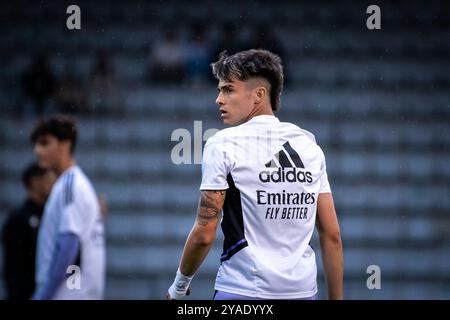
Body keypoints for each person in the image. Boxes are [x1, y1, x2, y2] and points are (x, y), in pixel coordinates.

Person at [167, 49, 343, 300]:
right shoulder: (309, 145)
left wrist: (179, 286)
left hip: (243, 291)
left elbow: (205, 234)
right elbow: (332, 234)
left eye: (228, 90)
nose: (218, 99)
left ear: (259, 94)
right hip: (303, 293)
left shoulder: (223, 144)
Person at [30, 116, 105, 300]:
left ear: (65, 145)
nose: (37, 151)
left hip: (68, 294)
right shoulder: (74, 183)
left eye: (45, 143)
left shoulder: (70, 184)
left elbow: (69, 244)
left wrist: (44, 294)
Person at [2, 163, 56, 300]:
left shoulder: (51, 215)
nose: (53, 182)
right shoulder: (19, 219)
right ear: (35, 181)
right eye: (47, 177)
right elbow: (15, 267)